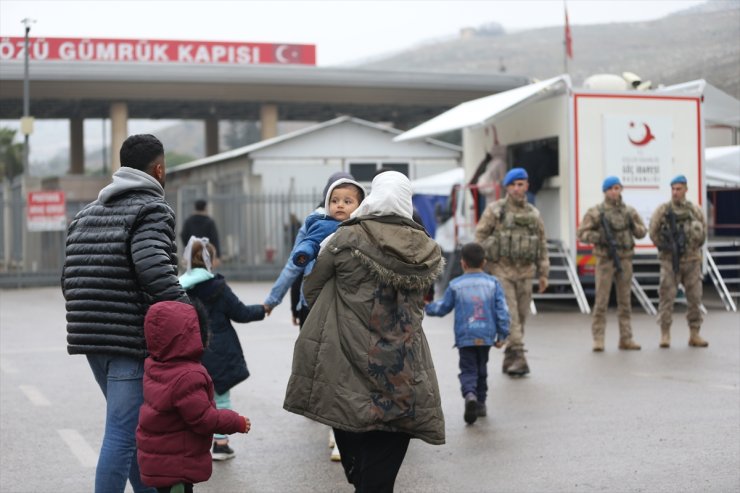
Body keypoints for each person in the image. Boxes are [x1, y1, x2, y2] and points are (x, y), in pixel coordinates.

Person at [284, 170, 445, 492]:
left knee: (345, 415)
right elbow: (423, 300)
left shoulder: (344, 237)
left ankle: (363, 479)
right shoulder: (427, 248)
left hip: (345, 350)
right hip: (402, 360)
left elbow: (312, 287)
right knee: (393, 429)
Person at [62, 134, 188, 493]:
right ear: (159, 169)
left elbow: (67, 276)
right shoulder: (153, 208)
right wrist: (187, 311)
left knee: (131, 428)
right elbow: (152, 265)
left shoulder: (87, 213)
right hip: (129, 339)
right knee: (121, 432)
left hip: (90, 337)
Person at [136, 300, 251, 493]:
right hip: (175, 465)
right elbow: (204, 419)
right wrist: (235, 422)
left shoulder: (155, 366)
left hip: (161, 460)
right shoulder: (188, 376)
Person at [179, 237, 267, 460]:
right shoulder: (218, 287)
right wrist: (263, 309)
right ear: (212, 261)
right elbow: (241, 313)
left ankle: (191, 442)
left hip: (190, 351)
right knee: (221, 396)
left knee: (191, 397)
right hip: (219, 350)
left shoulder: (178, 288)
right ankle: (220, 443)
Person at [474, 167, 549, 377]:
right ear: (507, 187)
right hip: (502, 270)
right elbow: (479, 237)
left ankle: (510, 356)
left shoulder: (533, 214)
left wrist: (544, 273)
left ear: (527, 186)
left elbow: (542, 244)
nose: (517, 188)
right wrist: (478, 266)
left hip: (526, 271)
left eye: (521, 184)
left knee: (522, 316)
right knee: (511, 314)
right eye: (514, 185)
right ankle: (519, 357)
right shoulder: (495, 210)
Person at [264, 172, 365, 327]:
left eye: (347, 200)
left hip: (314, 300)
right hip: (345, 301)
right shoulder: (319, 224)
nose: (340, 204)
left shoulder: (361, 224)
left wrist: (275, 301)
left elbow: (293, 268)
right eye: (335, 200)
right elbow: (298, 260)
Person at [425, 242, 510, 425]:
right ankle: (480, 403)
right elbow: (502, 311)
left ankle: (469, 394)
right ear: (484, 262)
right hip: (486, 336)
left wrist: (426, 307)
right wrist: (502, 336)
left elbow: (442, 308)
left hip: (466, 337)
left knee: (468, 369)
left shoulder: (456, 285)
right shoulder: (493, 283)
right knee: (482, 368)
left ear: (463, 263)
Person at [577, 176, 647, 352]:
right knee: (601, 301)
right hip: (605, 260)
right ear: (605, 191)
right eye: (610, 189)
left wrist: (634, 227)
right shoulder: (596, 212)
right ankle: (598, 338)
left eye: (617, 188)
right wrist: (599, 237)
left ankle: (626, 338)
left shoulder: (629, 212)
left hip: (624, 259)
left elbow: (642, 232)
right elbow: (581, 233)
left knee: (625, 302)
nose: (614, 192)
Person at [649, 175, 708, 348]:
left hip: (692, 261)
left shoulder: (695, 210)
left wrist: (694, 246)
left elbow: (703, 232)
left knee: (695, 298)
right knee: (666, 297)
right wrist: (665, 245)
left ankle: (694, 333)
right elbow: (653, 231)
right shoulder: (663, 210)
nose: (675, 192)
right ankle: (665, 334)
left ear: (685, 190)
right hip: (669, 261)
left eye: (679, 189)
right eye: (673, 189)